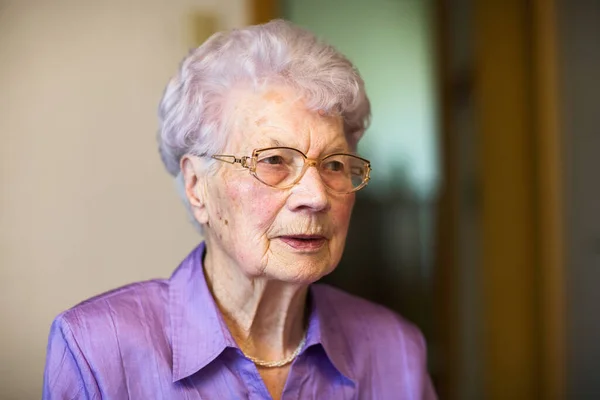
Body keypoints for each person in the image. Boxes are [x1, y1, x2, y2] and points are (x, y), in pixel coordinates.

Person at [42, 19, 436, 399]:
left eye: (334, 164)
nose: (316, 197)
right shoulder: (96, 352)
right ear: (197, 188)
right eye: (274, 161)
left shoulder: (396, 350)